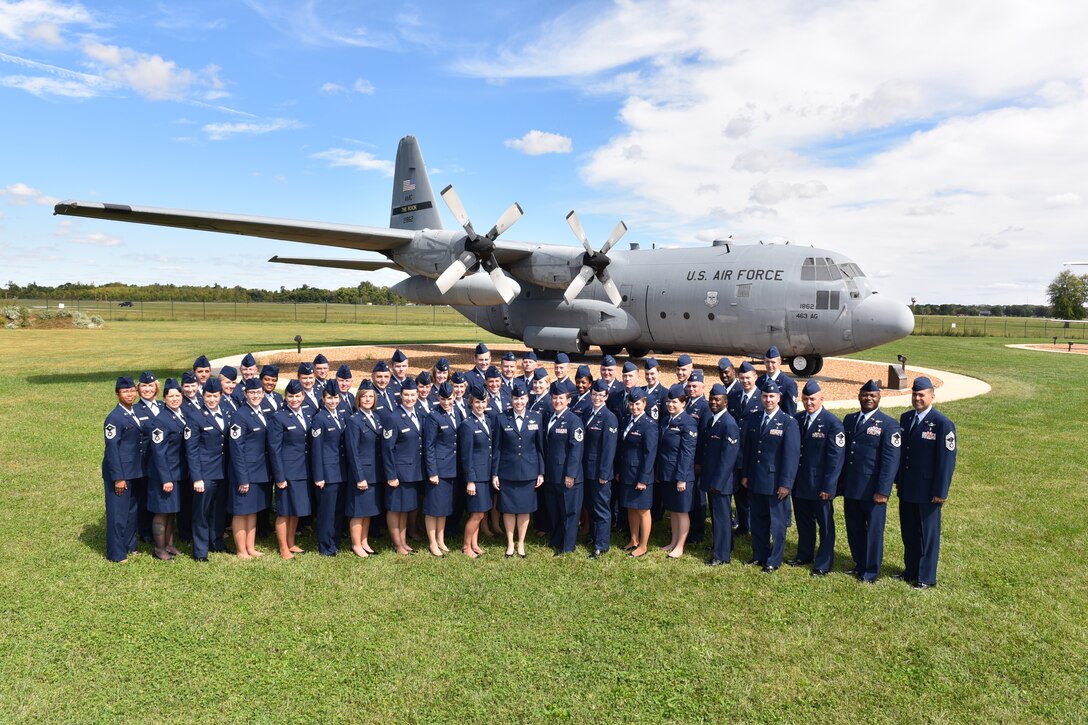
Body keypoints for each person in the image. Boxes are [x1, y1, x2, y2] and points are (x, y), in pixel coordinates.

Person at [896, 377, 957, 589]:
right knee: (909, 533)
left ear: (932, 396)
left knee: (928, 536)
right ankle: (910, 570)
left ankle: (926, 578)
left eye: (921, 395)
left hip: (929, 491)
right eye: (915, 394)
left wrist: (941, 491)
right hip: (907, 488)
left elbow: (946, 461)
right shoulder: (905, 419)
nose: (917, 398)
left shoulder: (942, 424)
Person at [840, 379, 901, 583]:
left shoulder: (889, 424)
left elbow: (890, 460)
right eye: (865, 395)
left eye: (872, 395)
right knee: (854, 529)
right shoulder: (849, 420)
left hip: (873, 491)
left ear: (879, 398)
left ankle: (871, 571)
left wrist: (883, 491)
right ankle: (859, 564)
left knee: (874, 533)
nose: (868, 398)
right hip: (852, 487)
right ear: (859, 397)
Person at [740, 379, 800, 572]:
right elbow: (749, 451)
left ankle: (774, 559)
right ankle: (759, 555)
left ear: (779, 398)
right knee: (758, 520)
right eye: (765, 396)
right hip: (756, 479)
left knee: (777, 524)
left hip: (775, 483)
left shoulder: (788, 422)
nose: (768, 400)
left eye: (772, 396)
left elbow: (791, 457)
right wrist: (746, 474)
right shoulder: (754, 419)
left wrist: (786, 484)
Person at [789, 380, 845, 576]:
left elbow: (835, 459)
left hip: (820, 485)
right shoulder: (797, 419)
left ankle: (824, 562)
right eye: (805, 399)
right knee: (804, 522)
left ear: (822, 399)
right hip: (800, 482)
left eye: (812, 399)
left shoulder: (833, 423)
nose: (808, 403)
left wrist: (829, 487)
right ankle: (804, 554)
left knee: (825, 525)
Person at [492, 382, 545, 558]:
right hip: (507, 471)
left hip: (529, 471)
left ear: (527, 399)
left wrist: (540, 472)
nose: (519, 402)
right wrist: (495, 473)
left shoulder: (536, 417)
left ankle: (521, 543)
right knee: (508, 509)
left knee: (524, 509)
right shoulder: (501, 418)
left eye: (522, 398)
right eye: (516, 398)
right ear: (511, 399)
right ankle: (509, 543)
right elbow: (497, 448)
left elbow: (539, 448)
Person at [186, 378, 232, 561]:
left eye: (215, 396)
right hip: (205, 473)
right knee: (202, 513)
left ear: (221, 396)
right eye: (208, 396)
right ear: (202, 396)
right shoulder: (195, 417)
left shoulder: (228, 413)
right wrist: (196, 477)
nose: (211, 399)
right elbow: (191, 450)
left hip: (223, 472)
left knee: (219, 511)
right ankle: (200, 551)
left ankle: (217, 542)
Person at [227, 378, 273, 560]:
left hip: (259, 470)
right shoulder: (240, 415)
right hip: (245, 471)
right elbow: (236, 449)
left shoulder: (262, 412)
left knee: (252, 510)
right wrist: (242, 478)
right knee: (241, 511)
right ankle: (241, 550)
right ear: (245, 394)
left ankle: (250, 546)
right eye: (252, 393)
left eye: (258, 392)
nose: (255, 396)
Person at [101, 376, 145, 563]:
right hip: (120, 473)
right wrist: (118, 478)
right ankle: (117, 554)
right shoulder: (114, 418)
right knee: (117, 514)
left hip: (135, 470)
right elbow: (112, 450)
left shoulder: (133, 412)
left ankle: (130, 545)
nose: (129, 394)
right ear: (117, 394)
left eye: (132, 391)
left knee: (131, 511)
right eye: (125, 391)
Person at [268, 379, 312, 559]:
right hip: (287, 471)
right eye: (291, 396)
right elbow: (274, 449)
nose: (294, 399)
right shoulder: (279, 417)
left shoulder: (308, 414)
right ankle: (282, 547)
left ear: (303, 396)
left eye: (298, 396)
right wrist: (279, 477)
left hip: (304, 470)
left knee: (297, 509)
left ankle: (291, 542)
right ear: (285, 397)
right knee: (285, 511)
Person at [381, 378, 425, 555]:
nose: (409, 398)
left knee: (405, 507)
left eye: (413, 395)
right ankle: (397, 544)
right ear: (400, 395)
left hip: (413, 471)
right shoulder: (393, 418)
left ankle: (403, 541)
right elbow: (387, 449)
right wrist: (391, 475)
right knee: (394, 508)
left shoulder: (419, 415)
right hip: (398, 472)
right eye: (406, 395)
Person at [146, 378, 187, 560]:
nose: (175, 399)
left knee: (171, 511)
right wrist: (166, 479)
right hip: (164, 474)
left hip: (176, 472)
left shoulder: (179, 414)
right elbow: (158, 452)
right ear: (164, 398)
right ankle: (159, 548)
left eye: (178, 396)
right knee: (162, 512)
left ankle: (169, 544)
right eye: (171, 396)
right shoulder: (160, 421)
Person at [542, 381, 584, 556]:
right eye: (554, 397)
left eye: (561, 398)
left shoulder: (574, 421)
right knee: (555, 510)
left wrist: (571, 474)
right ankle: (557, 539)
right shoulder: (551, 417)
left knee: (569, 512)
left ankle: (568, 546)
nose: (557, 401)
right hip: (552, 474)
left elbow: (576, 449)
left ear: (568, 400)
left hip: (567, 476)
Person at [616, 388, 658, 557]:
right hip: (627, 471)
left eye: (638, 404)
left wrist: (644, 479)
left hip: (640, 474)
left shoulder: (649, 425)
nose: (634, 407)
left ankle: (644, 544)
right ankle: (633, 539)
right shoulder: (627, 420)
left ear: (644, 404)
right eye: (631, 404)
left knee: (642, 510)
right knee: (630, 507)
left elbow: (650, 454)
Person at [702, 383, 741, 566]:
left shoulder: (729, 424)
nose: (713, 402)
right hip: (712, 479)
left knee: (722, 518)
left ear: (726, 401)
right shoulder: (713, 420)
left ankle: (722, 556)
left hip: (721, 482)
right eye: (711, 398)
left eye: (717, 399)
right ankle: (724, 546)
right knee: (719, 518)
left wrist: (717, 482)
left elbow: (728, 458)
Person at [658, 384, 698, 559]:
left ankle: (680, 546)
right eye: (669, 402)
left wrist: (682, 478)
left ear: (684, 403)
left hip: (681, 475)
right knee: (673, 510)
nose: (670, 405)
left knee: (682, 511)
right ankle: (673, 541)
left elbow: (687, 452)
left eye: (674, 402)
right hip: (667, 472)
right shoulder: (666, 420)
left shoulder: (688, 423)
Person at [344, 380, 383, 558]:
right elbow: (353, 452)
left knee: (368, 510)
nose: (367, 399)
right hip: (362, 474)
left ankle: (364, 541)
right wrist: (359, 477)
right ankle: (355, 544)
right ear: (358, 399)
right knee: (358, 511)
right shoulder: (354, 421)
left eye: (370, 396)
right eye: (364, 396)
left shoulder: (375, 417)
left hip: (375, 472)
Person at [310, 381, 350, 556]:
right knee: (327, 512)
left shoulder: (340, 415)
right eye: (329, 398)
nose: (333, 401)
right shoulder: (319, 419)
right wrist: (319, 476)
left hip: (341, 471)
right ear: (323, 398)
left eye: (335, 398)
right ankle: (325, 545)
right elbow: (316, 450)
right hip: (327, 473)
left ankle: (335, 541)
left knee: (338, 510)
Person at [582, 379, 618, 559]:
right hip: (587, 469)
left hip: (600, 472)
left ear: (606, 396)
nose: (597, 398)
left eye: (600, 395)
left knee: (601, 508)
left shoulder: (609, 417)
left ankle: (602, 545)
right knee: (590, 505)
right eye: (594, 394)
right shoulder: (589, 411)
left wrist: (604, 473)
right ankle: (594, 536)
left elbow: (609, 449)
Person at [422, 382, 459, 557]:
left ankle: (441, 539)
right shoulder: (433, 417)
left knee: (443, 507)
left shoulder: (457, 413)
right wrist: (432, 472)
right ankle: (432, 543)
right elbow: (428, 446)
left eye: (449, 398)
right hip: (438, 469)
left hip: (452, 468)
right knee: (433, 508)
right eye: (443, 398)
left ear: (454, 397)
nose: (446, 402)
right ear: (437, 398)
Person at [459, 385, 495, 558]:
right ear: (471, 403)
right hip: (476, 477)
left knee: (481, 513)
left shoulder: (487, 420)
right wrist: (470, 480)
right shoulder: (467, 425)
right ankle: (466, 546)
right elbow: (466, 456)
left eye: (483, 402)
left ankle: (474, 543)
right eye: (477, 402)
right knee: (477, 513)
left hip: (486, 474)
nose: (480, 405)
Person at [728, 361, 762, 536]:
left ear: (755, 377)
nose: (745, 381)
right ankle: (743, 525)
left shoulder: (763, 398)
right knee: (740, 494)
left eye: (748, 377)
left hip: (754, 453)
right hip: (736, 453)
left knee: (754, 495)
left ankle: (755, 526)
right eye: (742, 378)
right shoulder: (734, 396)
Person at [757, 346, 798, 416]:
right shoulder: (759, 381)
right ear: (764, 361)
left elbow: (790, 412)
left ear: (779, 362)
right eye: (767, 362)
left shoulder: (788, 384)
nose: (770, 365)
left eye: (773, 362)